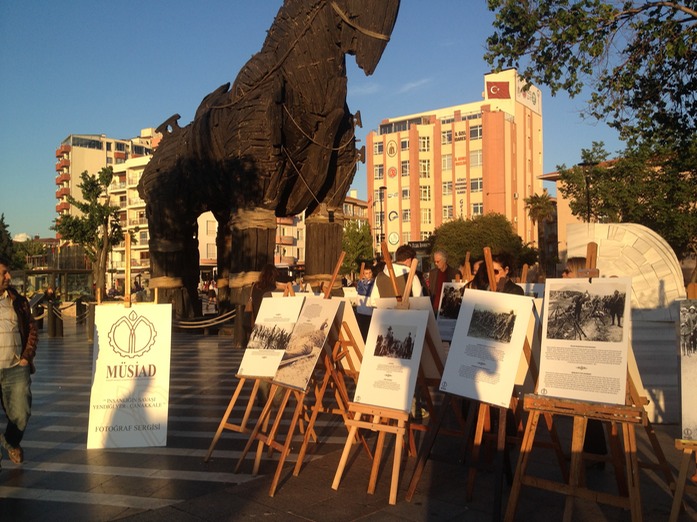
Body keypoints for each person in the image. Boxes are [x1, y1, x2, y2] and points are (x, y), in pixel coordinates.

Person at [562, 256, 608, 466]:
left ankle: (595, 455)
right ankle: (585, 453)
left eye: (567, 271)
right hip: (574, 359)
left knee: (590, 411)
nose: (563, 274)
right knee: (580, 410)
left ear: (579, 273)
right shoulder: (576, 297)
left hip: (591, 363)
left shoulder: (587, 297)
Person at [0, 256, 38, 470]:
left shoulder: (17, 301)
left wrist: (27, 356)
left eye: (8, 272)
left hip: (15, 368)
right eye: (4, 273)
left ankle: (11, 442)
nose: (8, 276)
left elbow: (32, 329)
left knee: (22, 414)